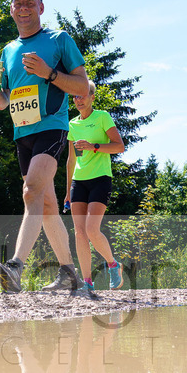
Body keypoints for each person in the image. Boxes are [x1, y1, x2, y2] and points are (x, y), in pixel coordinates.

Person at [0, 0, 90, 293]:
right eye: (18, 4)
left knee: (30, 191)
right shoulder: (8, 50)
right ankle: (69, 274)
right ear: (12, 10)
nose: (24, 8)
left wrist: (50, 74)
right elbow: (3, 102)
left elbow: (82, 87)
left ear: (41, 8)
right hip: (23, 133)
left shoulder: (59, 40)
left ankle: (15, 267)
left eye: (30, 3)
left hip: (51, 127)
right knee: (45, 204)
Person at [63, 81, 126, 291]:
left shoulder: (102, 117)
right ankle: (87, 282)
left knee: (91, 229)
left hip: (100, 178)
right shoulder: (72, 124)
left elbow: (119, 146)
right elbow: (71, 160)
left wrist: (94, 147)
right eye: (75, 96)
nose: (78, 100)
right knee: (79, 233)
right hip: (78, 181)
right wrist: (66, 192)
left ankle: (112, 264)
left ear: (92, 97)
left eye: (82, 95)